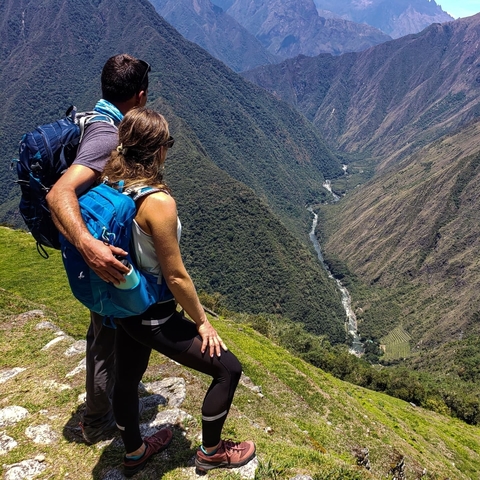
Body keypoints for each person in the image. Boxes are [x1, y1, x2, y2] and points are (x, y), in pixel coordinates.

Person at [99, 107, 256, 476]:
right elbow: (177, 277)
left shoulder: (110, 183)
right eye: (167, 143)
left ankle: (136, 451)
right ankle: (211, 452)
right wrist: (203, 323)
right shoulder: (157, 203)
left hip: (125, 305)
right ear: (158, 151)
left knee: (126, 378)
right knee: (228, 370)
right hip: (155, 312)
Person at [46, 54, 151, 444]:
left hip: (96, 250)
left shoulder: (99, 119)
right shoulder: (108, 136)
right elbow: (60, 192)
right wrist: (90, 247)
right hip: (96, 255)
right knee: (106, 335)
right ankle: (99, 418)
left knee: (105, 330)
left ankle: (106, 406)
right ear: (140, 95)